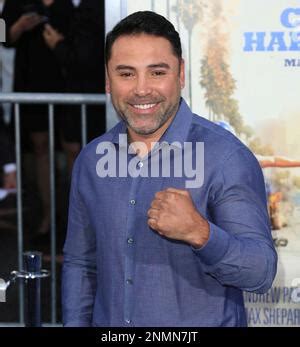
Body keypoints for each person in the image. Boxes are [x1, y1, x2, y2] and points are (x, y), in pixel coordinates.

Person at [62, 11, 277, 327]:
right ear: (108, 80)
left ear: (181, 75)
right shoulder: (92, 162)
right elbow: (81, 265)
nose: (141, 89)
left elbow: (261, 273)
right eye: (126, 74)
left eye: (157, 72)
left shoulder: (225, 157)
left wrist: (200, 233)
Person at [1, 0, 73, 236]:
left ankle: (76, 219)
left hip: (68, 81)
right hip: (31, 79)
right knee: (40, 148)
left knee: (74, 148)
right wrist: (19, 26)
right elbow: (3, 35)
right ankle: (48, 216)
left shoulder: (72, 4)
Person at [42, 0, 106, 176]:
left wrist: (57, 45)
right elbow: (6, 37)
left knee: (83, 154)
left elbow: (84, 57)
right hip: (74, 92)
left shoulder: (94, 8)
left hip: (89, 94)